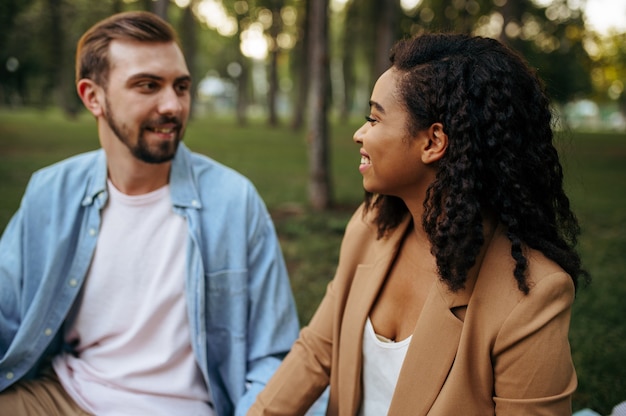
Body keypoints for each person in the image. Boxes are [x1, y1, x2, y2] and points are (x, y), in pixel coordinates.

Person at [248, 32, 588, 415]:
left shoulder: (532, 295)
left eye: (374, 119)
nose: (360, 134)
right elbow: (317, 351)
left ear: (433, 142)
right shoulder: (369, 228)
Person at [0, 11, 300, 416]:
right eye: (148, 86)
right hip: (63, 396)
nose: (172, 106)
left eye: (181, 86)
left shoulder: (233, 201)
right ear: (93, 97)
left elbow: (273, 355)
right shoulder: (51, 193)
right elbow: (6, 315)